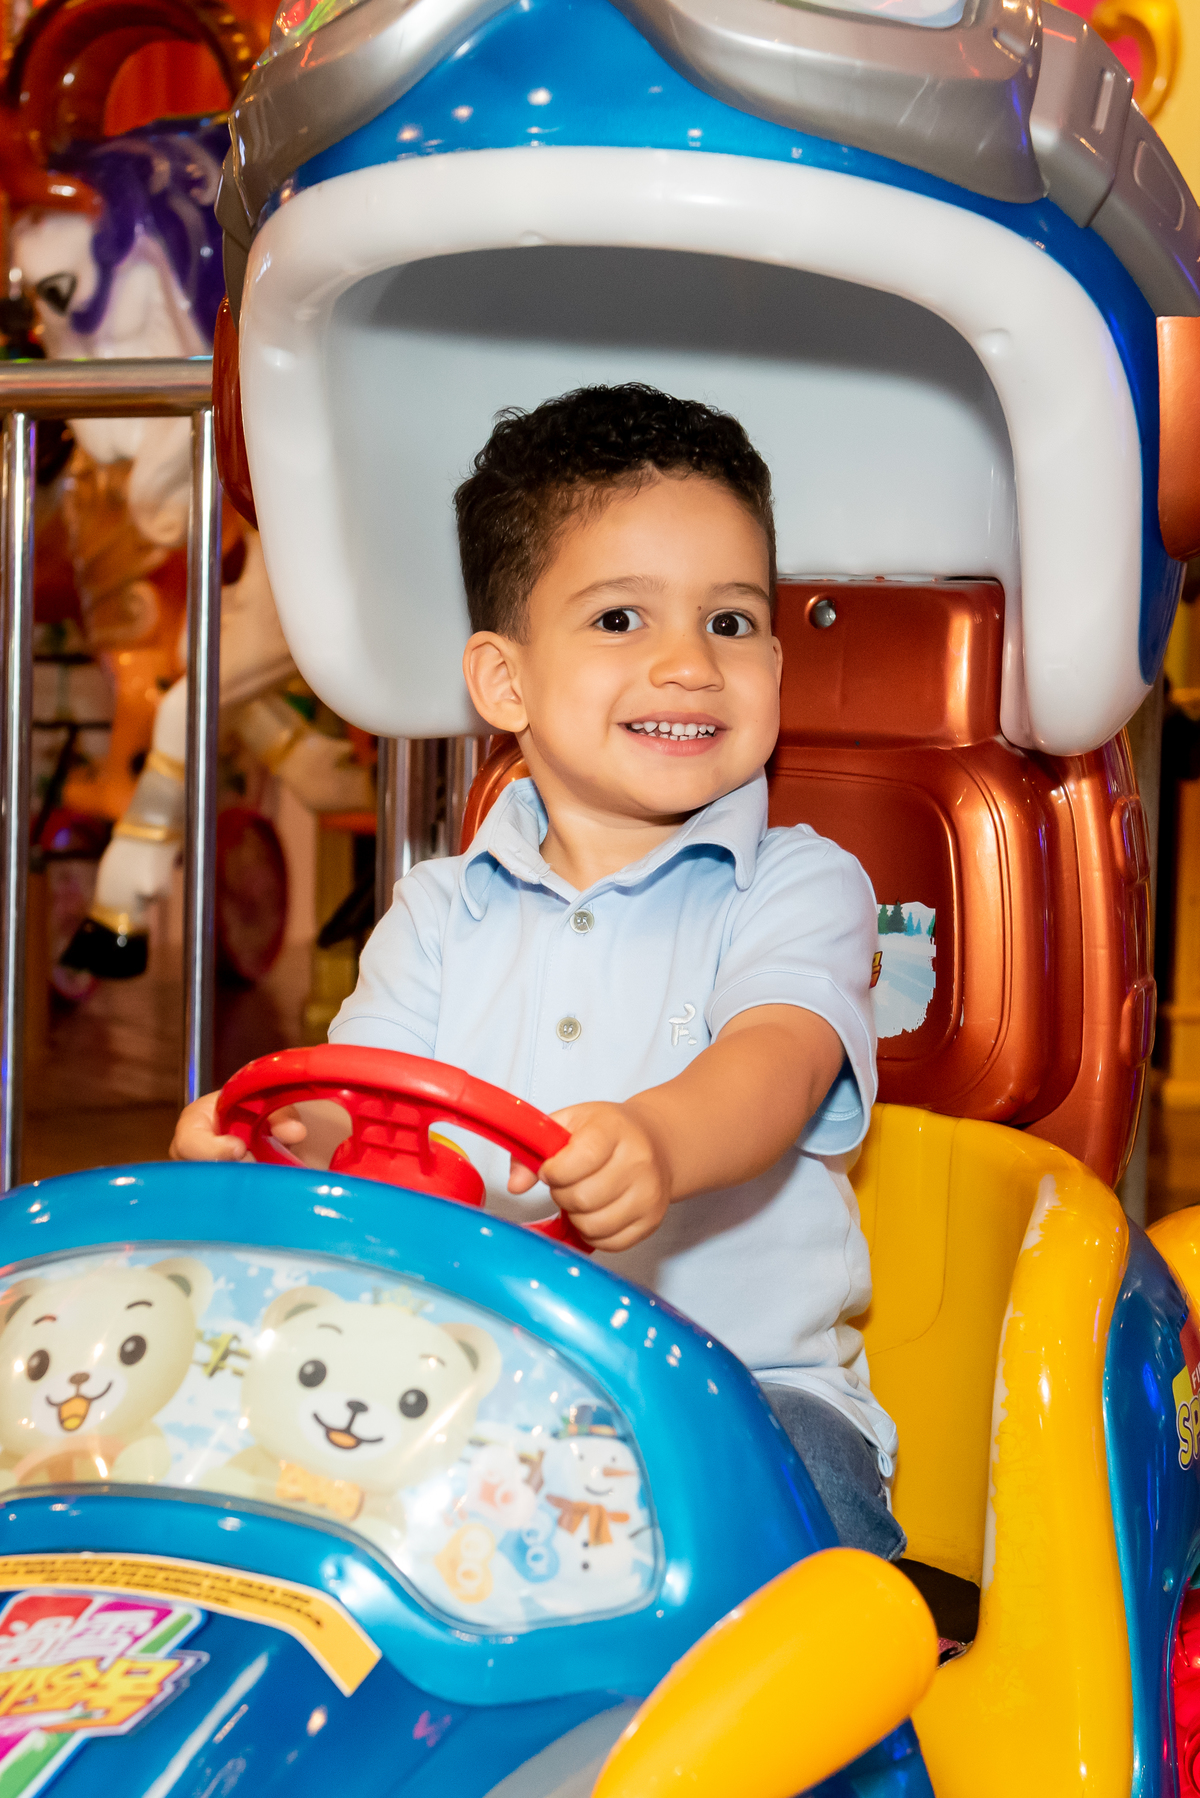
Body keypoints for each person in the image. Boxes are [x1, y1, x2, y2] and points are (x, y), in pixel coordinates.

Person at [171, 383, 902, 1559]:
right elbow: (355, 1110)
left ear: (776, 657)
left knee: (783, 1514)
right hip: (479, 1387)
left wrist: (661, 1138)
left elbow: (776, 1060)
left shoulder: (799, 883)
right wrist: (267, 1140)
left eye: (730, 622)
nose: (689, 664)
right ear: (505, 682)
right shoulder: (440, 911)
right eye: (621, 619)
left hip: (749, 1391)